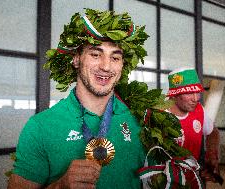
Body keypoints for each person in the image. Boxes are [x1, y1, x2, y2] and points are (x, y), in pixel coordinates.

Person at [8, 9, 149, 189]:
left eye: (115, 57)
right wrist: (60, 186)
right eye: (95, 54)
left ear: (122, 65)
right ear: (76, 59)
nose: (106, 66)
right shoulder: (40, 127)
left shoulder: (142, 119)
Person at [166, 67, 220, 185]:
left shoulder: (199, 110)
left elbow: (213, 132)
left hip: (192, 181)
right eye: (189, 93)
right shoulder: (157, 114)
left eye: (197, 92)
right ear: (173, 95)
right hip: (162, 182)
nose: (195, 99)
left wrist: (212, 154)